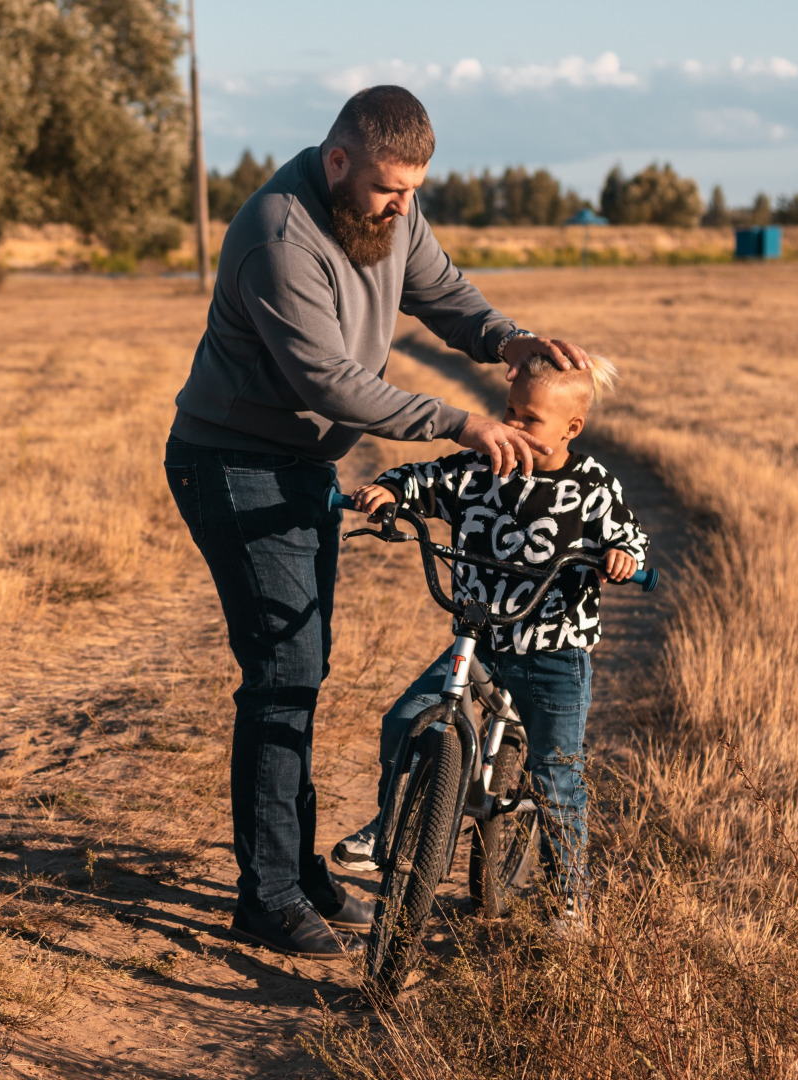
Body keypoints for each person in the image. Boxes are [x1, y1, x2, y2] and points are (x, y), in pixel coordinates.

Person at [164, 84, 595, 960]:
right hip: (231, 463)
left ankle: (293, 868)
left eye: (414, 190)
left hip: (299, 465)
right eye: (390, 189)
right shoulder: (279, 237)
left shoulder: (391, 212)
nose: (404, 206)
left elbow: (441, 292)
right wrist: (458, 421)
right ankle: (269, 895)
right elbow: (329, 381)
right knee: (284, 672)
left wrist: (507, 340)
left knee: (303, 667)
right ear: (339, 162)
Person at [333, 354, 649, 934]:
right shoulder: (484, 467)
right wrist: (386, 491)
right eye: (509, 411)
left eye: (529, 419)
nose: (513, 426)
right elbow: (424, 480)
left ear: (570, 430)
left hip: (554, 647)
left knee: (558, 772)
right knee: (404, 718)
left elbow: (629, 536)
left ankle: (568, 896)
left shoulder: (592, 487)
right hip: (477, 638)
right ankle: (388, 823)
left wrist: (623, 558)